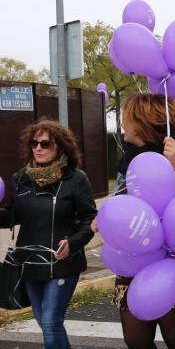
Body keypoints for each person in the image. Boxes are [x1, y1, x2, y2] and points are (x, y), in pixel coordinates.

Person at [94, 93, 175, 349]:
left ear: (142, 121)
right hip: (133, 260)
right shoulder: (130, 160)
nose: (122, 124)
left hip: (171, 261)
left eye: (126, 118)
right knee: (135, 340)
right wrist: (104, 216)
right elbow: (122, 201)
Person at [0, 119, 96, 349]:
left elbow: (89, 219)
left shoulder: (76, 179)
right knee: (45, 321)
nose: (38, 148)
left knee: (51, 322)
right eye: (34, 143)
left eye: (45, 143)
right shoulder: (21, 178)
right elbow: (12, 216)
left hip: (62, 262)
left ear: (60, 147)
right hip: (30, 262)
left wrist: (72, 244)